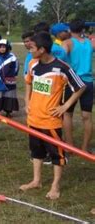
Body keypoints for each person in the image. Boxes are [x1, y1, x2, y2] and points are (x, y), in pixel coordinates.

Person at [20, 32, 85, 200]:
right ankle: (36, 181)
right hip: (33, 119)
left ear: (42, 49)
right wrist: (27, 102)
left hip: (51, 122)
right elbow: (28, 83)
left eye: (32, 47)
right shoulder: (33, 64)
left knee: (56, 155)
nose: (29, 49)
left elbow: (80, 87)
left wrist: (66, 106)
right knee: (36, 152)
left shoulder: (62, 68)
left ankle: (55, 186)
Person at [62, 19, 94, 152]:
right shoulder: (90, 43)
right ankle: (85, 148)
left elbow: (61, 60)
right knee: (87, 116)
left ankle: (69, 146)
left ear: (69, 29)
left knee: (68, 114)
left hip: (73, 82)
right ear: (83, 30)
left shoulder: (67, 43)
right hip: (88, 82)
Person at [0, 39, 19, 117]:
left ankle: (8, 112)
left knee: (9, 95)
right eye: (0, 47)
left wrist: (10, 76)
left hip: (9, 81)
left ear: (8, 47)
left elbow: (16, 68)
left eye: (4, 47)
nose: (2, 49)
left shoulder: (12, 57)